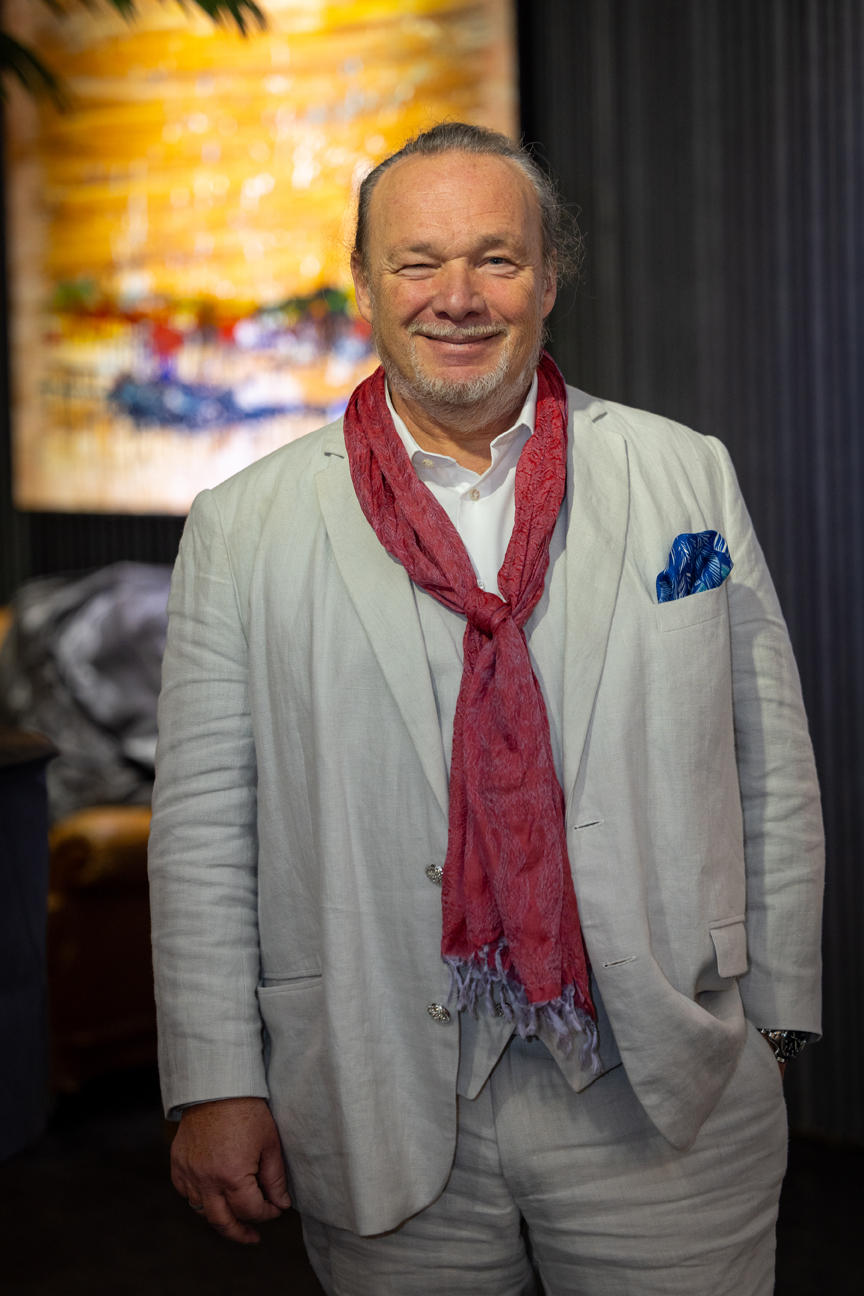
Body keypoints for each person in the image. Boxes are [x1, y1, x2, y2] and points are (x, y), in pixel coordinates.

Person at [148, 123, 824, 1296]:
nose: (456, 296)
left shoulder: (686, 474)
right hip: (374, 1087)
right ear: (366, 285)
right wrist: (215, 1081)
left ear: (549, 278)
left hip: (666, 1090)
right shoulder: (242, 526)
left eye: (495, 259)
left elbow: (767, 761)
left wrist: (776, 1020)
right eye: (416, 262)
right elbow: (205, 827)